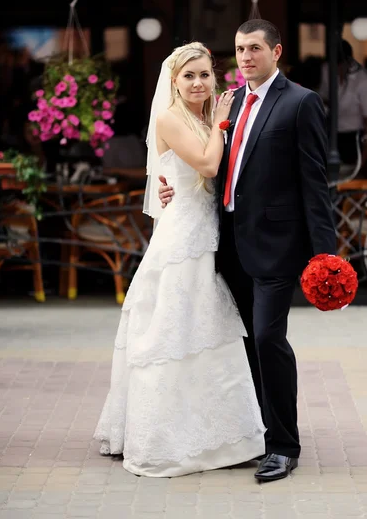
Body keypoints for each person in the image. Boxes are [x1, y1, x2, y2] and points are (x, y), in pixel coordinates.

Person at [159, 19, 336, 482]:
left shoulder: (300, 102)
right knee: (240, 344)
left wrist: (326, 256)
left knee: (267, 339)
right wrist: (166, 187)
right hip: (227, 242)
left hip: (278, 246)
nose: (245, 57)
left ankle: (283, 445)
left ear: (276, 51)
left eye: (255, 48)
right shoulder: (230, 103)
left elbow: (315, 183)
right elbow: (209, 163)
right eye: (239, 49)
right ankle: (257, 432)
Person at [93, 42, 265, 478]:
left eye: (205, 74)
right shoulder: (172, 116)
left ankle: (220, 430)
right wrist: (224, 122)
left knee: (206, 331)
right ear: (174, 81)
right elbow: (209, 164)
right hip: (184, 239)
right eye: (189, 75)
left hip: (209, 231)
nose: (198, 82)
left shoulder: (204, 116)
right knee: (174, 332)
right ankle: (165, 435)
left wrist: (215, 125)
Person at [318, 40, 367, 167]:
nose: (338, 70)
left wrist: (365, 155)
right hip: (329, 132)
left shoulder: (364, 80)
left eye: (341, 65)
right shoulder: (326, 70)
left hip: (354, 136)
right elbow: (322, 94)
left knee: (351, 174)